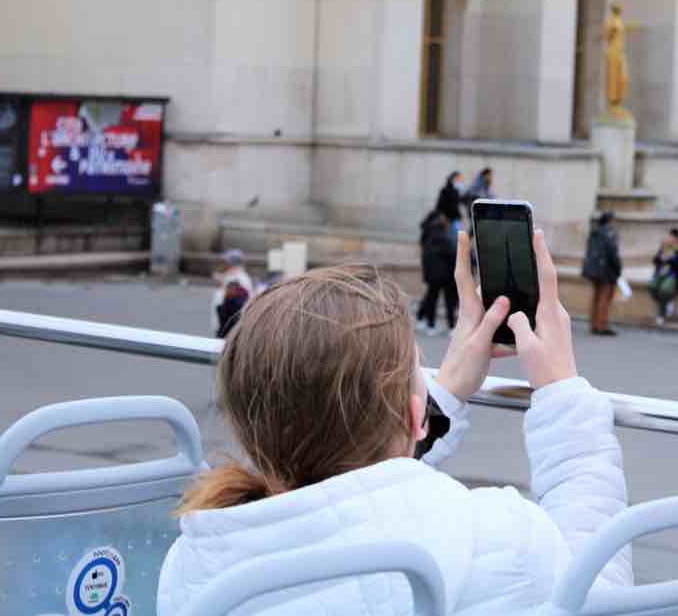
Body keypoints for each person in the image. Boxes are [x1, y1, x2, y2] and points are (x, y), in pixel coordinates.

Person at [157, 232, 632, 616]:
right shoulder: (497, 536)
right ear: (413, 417)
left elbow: (344, 491)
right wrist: (562, 392)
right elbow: (596, 588)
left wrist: (442, 393)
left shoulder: (193, 564)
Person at [417, 210, 458, 335]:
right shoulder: (444, 237)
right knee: (449, 301)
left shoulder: (428, 237)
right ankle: (451, 326)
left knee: (431, 300)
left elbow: (425, 257)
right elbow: (452, 255)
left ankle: (430, 325)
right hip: (446, 276)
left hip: (432, 276)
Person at [582, 211, 622, 336]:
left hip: (595, 270)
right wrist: (619, 268)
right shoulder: (609, 234)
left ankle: (594, 324)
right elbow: (613, 254)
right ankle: (601, 325)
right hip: (607, 271)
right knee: (604, 299)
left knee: (596, 297)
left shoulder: (595, 233)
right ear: (610, 221)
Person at [649, 229, 678, 327]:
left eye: (672, 238)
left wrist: (670, 259)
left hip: (673, 275)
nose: (670, 239)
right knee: (652, 287)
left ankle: (662, 314)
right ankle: (666, 302)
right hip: (661, 274)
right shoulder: (663, 248)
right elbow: (655, 260)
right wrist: (661, 258)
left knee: (664, 290)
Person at [211, 249, 254, 337]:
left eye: (225, 262)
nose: (223, 265)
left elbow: (235, 305)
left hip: (228, 326)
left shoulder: (239, 279)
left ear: (231, 263)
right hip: (225, 323)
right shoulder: (232, 277)